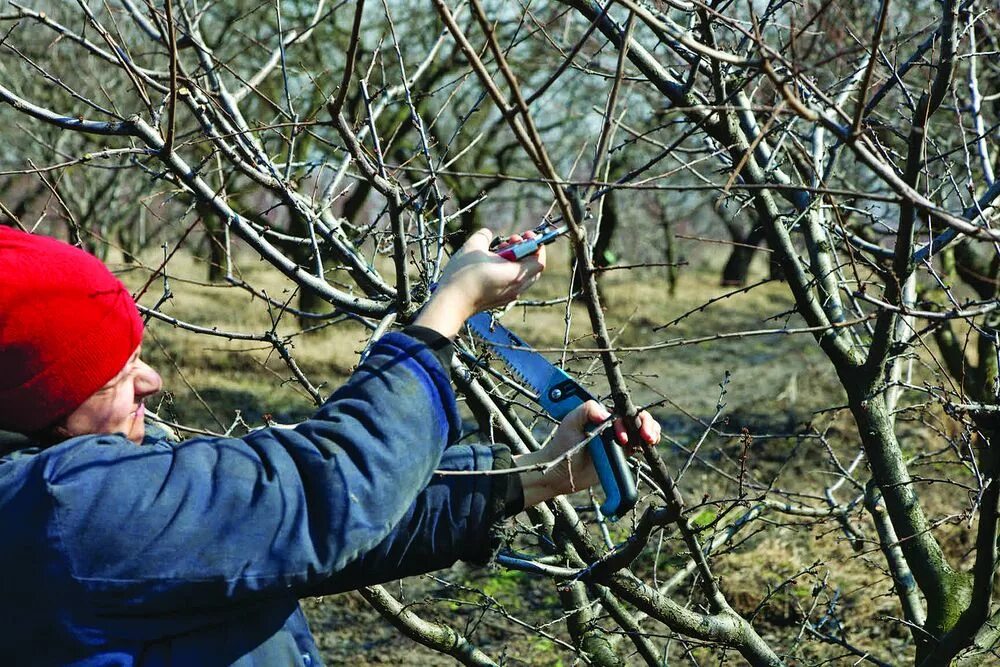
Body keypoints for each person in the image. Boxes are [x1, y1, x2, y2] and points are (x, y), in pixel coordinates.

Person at [0, 225, 660, 666]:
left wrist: (535, 475)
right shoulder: (62, 513)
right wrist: (450, 307)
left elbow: (296, 538)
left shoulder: (66, 489)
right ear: (38, 405)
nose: (153, 379)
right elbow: (328, 489)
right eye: (117, 373)